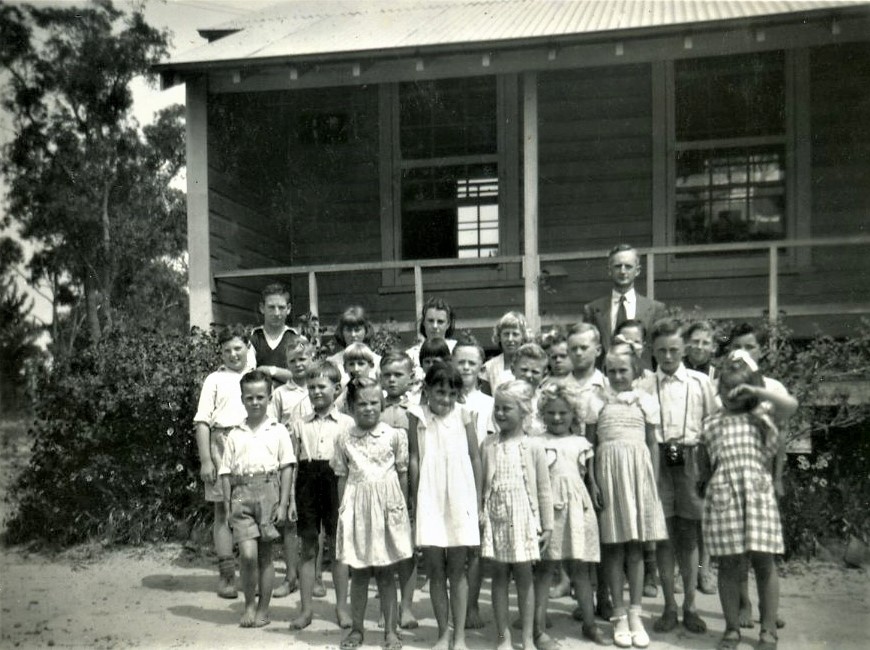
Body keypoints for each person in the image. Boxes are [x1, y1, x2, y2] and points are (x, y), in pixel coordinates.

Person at [698, 351, 790, 650]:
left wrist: (757, 391)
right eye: (726, 388)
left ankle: (768, 631)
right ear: (719, 390)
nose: (732, 394)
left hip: (758, 496)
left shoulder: (761, 418)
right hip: (724, 498)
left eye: (739, 389)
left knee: (764, 563)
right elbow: (704, 463)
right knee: (729, 565)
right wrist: (706, 485)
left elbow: (790, 406)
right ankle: (732, 628)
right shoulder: (711, 423)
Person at [638, 318, 717, 636]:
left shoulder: (700, 382)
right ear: (652, 351)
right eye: (661, 351)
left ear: (684, 348)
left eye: (673, 349)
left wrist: (708, 469)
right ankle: (670, 605)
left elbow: (712, 425)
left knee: (689, 535)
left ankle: (691, 606)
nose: (668, 356)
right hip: (658, 460)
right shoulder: (644, 385)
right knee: (664, 536)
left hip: (691, 459)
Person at [587, 350, 669, 648]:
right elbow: (590, 444)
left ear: (636, 371)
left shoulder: (645, 401)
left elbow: (652, 444)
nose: (618, 376)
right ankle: (618, 614)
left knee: (635, 547)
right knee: (613, 547)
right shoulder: (597, 401)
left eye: (624, 370)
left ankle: (635, 613)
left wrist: (652, 482)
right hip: (608, 476)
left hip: (637, 476)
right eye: (612, 371)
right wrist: (593, 481)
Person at [331, 378, 413, 650]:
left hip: (388, 510)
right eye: (362, 404)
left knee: (387, 573)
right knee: (359, 573)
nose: (368, 408)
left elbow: (402, 474)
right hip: (357, 510)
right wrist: (343, 511)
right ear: (351, 407)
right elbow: (342, 476)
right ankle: (357, 630)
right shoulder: (344, 438)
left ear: (383, 403)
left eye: (374, 403)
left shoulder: (394, 435)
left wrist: (402, 509)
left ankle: (391, 631)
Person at [726, 323, 798, 630]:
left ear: (761, 351)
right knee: (738, 548)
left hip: (762, 477)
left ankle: (768, 608)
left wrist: (778, 477)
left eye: (750, 346)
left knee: (763, 548)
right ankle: (743, 602)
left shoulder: (773, 387)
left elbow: (780, 438)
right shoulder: (726, 385)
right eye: (737, 347)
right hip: (732, 479)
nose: (743, 352)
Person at [408, 362, 482, 650]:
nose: (446, 399)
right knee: (436, 570)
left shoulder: (464, 414)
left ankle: (460, 636)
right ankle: (443, 633)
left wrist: (477, 501)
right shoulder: (417, 416)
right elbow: (415, 459)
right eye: (440, 392)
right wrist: (416, 499)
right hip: (430, 495)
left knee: (458, 570)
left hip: (461, 496)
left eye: (452, 393)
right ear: (427, 390)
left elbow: (474, 457)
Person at [218, 370, 296, 628]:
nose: (255, 402)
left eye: (260, 397)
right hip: (241, 496)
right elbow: (226, 472)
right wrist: (228, 506)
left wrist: (283, 504)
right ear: (242, 399)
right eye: (249, 398)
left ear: (269, 398)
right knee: (248, 554)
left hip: (268, 493)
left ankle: (263, 609)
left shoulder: (278, 430)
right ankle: (249, 604)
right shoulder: (235, 434)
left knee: (265, 555)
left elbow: (287, 467)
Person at [480, 380, 553, 650]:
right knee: (499, 577)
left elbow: (543, 489)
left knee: (524, 577)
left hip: (523, 518)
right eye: (497, 407)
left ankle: (527, 638)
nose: (500, 413)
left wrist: (547, 525)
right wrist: (480, 513)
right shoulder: (488, 444)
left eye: (506, 408)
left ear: (523, 411)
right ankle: (503, 637)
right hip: (497, 517)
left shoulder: (533, 446)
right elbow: (482, 485)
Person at [533, 383, 606, 647]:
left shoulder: (581, 443)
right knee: (545, 569)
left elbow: (589, 478)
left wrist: (594, 487)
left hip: (577, 510)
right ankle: (538, 628)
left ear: (573, 414)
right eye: (551, 412)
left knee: (581, 570)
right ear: (543, 414)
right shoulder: (536, 442)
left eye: (563, 413)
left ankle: (590, 624)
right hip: (549, 511)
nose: (557, 418)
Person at [288, 361, 354, 630]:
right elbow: (292, 463)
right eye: (311, 387)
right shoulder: (299, 424)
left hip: (337, 483)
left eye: (322, 386)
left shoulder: (348, 423)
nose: (316, 391)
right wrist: (290, 499)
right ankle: (305, 610)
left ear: (336, 389)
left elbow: (352, 463)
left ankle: (342, 608)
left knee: (338, 549)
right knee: (308, 547)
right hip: (307, 483)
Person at [192, 325, 253, 599]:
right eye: (227, 350)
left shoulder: (256, 376)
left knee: (253, 509)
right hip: (222, 444)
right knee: (223, 511)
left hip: (252, 443)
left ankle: (252, 572)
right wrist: (206, 460)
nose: (233, 354)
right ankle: (227, 574)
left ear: (248, 348)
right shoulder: (214, 379)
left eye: (238, 348)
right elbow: (202, 421)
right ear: (220, 352)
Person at [379, 352, 420, 630]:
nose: (392, 380)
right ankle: (387, 608)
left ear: (411, 377)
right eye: (387, 375)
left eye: (398, 375)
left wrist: (414, 494)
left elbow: (416, 453)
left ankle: (406, 607)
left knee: (406, 550)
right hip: (378, 486)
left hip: (405, 486)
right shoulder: (375, 407)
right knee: (382, 550)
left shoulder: (415, 410)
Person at [681, 319, 720, 596]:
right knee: (681, 511)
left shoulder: (717, 375)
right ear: (686, 344)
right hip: (679, 448)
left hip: (706, 448)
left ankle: (704, 568)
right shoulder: (676, 371)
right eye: (695, 341)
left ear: (713, 347)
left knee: (705, 511)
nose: (699, 346)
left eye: (705, 342)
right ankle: (682, 568)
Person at [582, 244, 667, 355]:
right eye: (618, 266)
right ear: (609, 270)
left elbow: (659, 348)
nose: (623, 271)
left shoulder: (655, 309)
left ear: (637, 271)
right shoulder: (592, 310)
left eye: (628, 266)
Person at [247, 283, 300, 386]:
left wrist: (271, 370)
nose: (276, 313)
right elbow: (248, 375)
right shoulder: (253, 337)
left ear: (288, 309)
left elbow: (301, 376)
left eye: (281, 307)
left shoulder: (297, 338)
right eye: (271, 307)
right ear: (262, 308)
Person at [405, 297, 458, 382]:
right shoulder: (410, 356)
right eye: (430, 321)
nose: (435, 326)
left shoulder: (457, 351)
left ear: (448, 324)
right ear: (423, 322)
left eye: (440, 322)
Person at [327, 306, 382, 385]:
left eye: (357, 330)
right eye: (348, 330)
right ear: (342, 332)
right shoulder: (333, 362)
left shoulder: (378, 361)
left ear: (366, 331)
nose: (353, 335)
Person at [483, 311, 533, 393]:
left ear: (523, 337)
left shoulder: (532, 363)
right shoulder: (490, 367)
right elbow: (485, 398)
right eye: (506, 334)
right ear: (499, 337)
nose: (510, 339)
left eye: (515, 334)